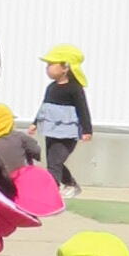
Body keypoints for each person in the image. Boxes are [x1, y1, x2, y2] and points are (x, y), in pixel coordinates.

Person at [33, 45, 91, 186]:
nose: (47, 68)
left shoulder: (75, 89)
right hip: (51, 130)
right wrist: (35, 123)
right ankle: (69, 184)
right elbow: (44, 107)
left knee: (56, 161)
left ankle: (52, 189)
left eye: (51, 64)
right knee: (53, 161)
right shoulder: (51, 87)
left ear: (65, 67)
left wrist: (87, 130)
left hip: (67, 132)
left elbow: (83, 109)